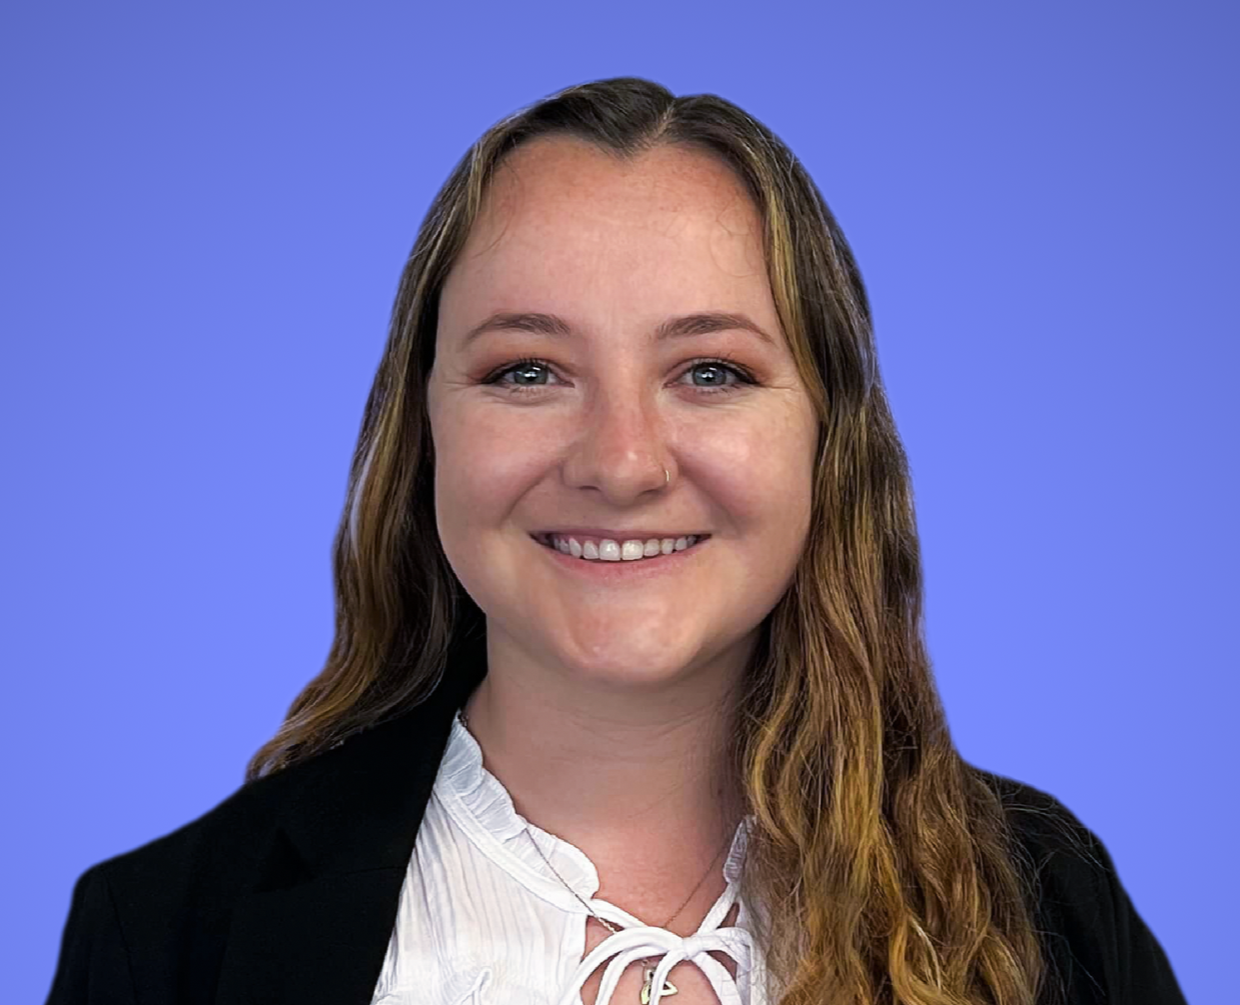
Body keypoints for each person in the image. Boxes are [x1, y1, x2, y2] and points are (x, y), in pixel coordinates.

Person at [44, 77, 1187, 1005]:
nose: (622, 461)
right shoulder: (165, 936)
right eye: (527, 372)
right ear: (424, 428)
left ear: (825, 436)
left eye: (709, 371)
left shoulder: (1042, 903)